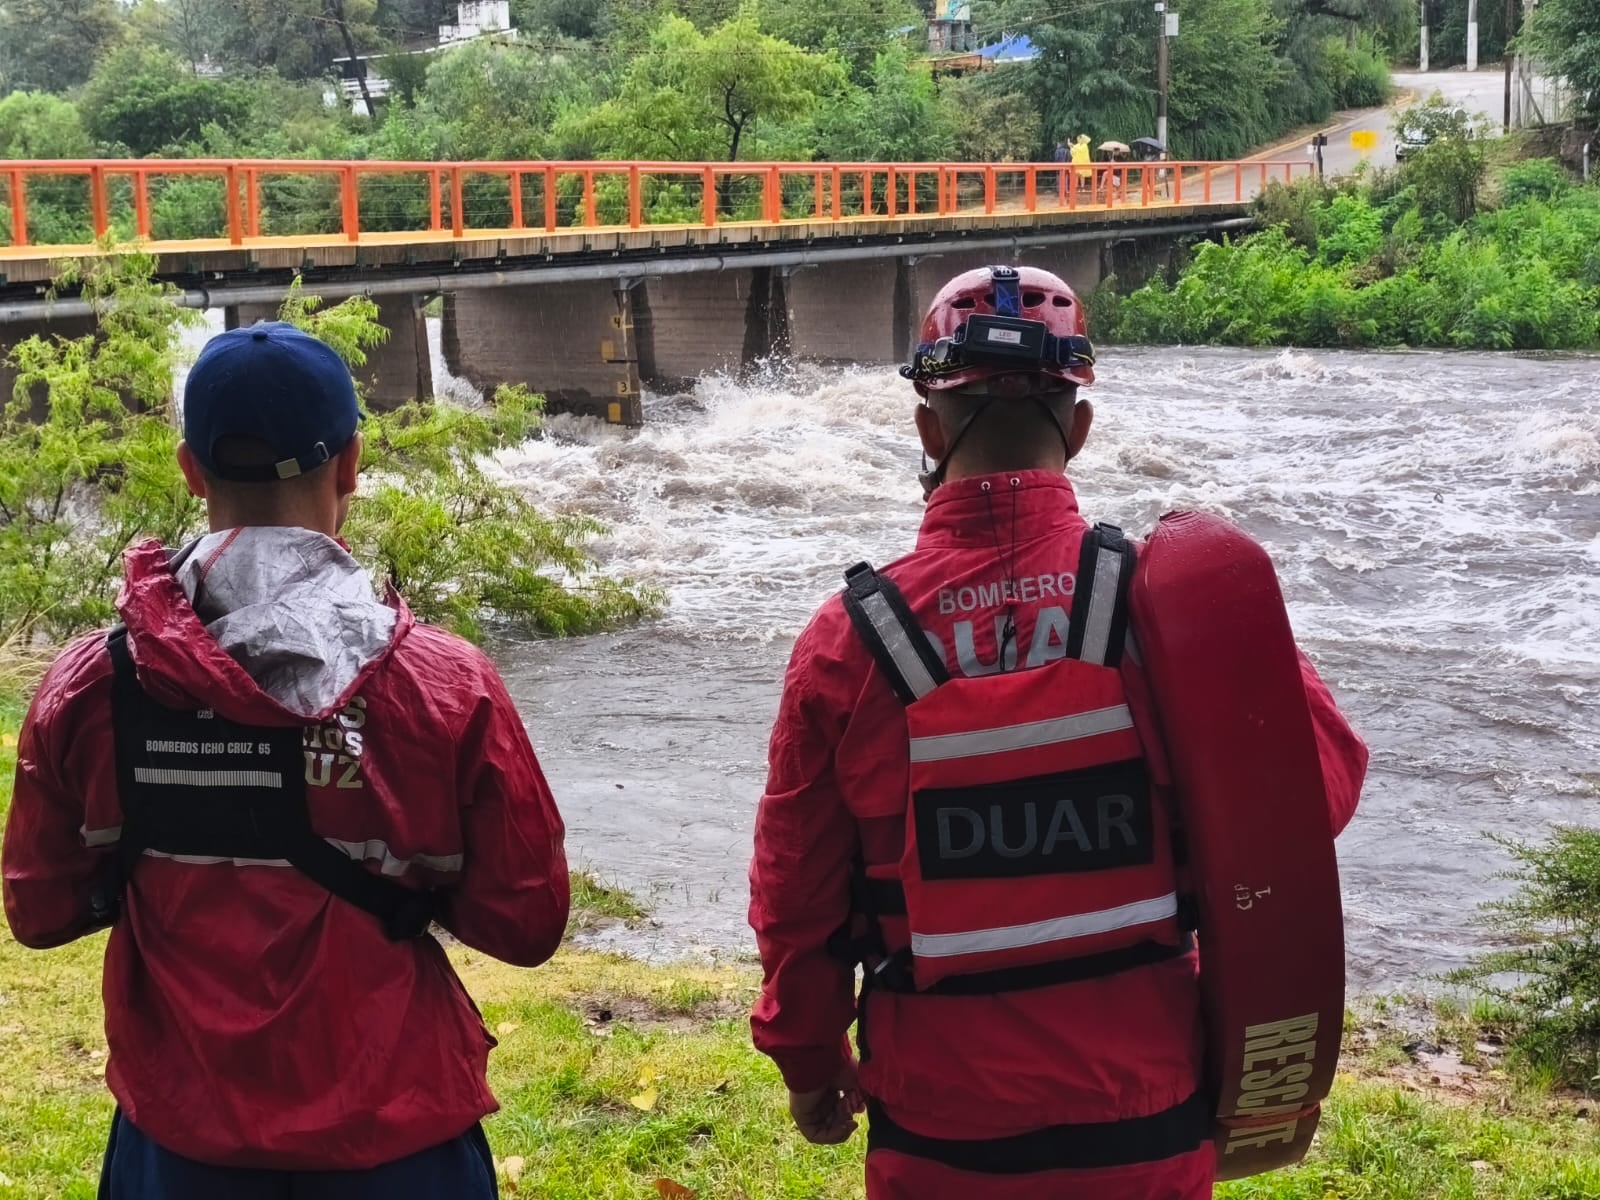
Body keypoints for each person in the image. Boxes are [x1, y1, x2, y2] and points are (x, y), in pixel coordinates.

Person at [747, 265, 1367, 1199]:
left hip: (939, 1137)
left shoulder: (845, 645)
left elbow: (795, 897)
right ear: (1078, 427)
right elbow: (1315, 794)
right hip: (1148, 1123)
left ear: (926, 427)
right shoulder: (1174, 607)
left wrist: (807, 1057)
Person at [3, 322, 570, 1199]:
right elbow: (525, 925)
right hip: (397, 1137)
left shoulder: (91, 688)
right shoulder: (445, 684)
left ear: (192, 471)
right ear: (351, 463)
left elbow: (39, 911)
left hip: (178, 1144)